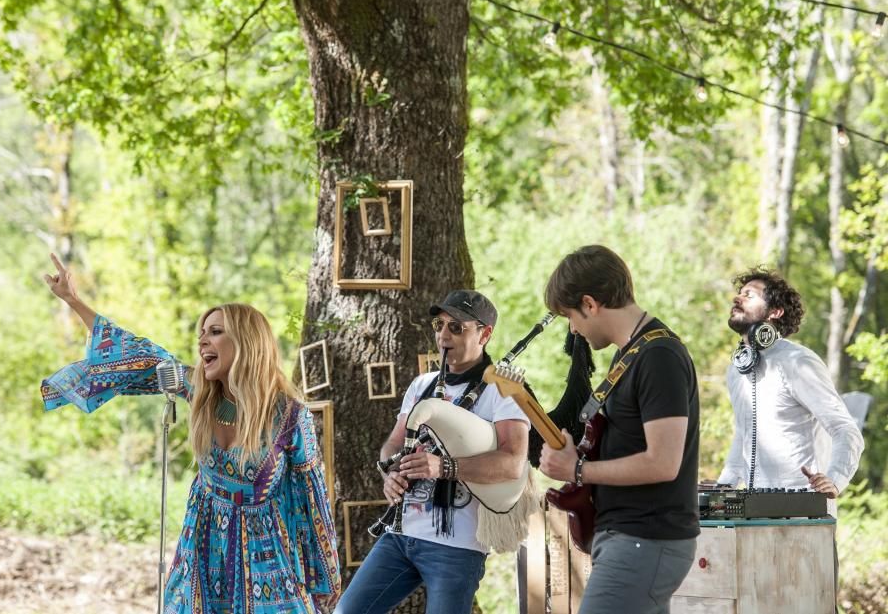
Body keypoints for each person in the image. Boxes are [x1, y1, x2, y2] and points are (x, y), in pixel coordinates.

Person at [40, 253, 341, 614]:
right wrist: (74, 301)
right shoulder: (196, 390)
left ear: (247, 342)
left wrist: (326, 583)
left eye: (215, 332)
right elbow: (137, 355)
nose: (202, 342)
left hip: (266, 562)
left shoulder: (290, 416)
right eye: (201, 333)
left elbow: (313, 503)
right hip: (202, 547)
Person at [335, 290, 529, 614]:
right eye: (439, 325)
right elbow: (394, 444)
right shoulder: (421, 384)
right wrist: (389, 472)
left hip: (457, 547)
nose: (442, 335)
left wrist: (444, 467)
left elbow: (512, 464)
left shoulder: (503, 390)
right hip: (400, 536)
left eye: (456, 327)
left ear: (485, 333)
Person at [537, 245, 699, 614]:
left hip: (645, 539)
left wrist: (576, 470)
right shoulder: (630, 355)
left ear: (590, 304)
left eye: (570, 316)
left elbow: (663, 462)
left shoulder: (659, 357)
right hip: (632, 539)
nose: (572, 329)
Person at [716, 267, 864, 500]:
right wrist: (723, 486)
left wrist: (835, 479)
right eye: (740, 293)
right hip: (755, 512)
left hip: (804, 513)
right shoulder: (737, 369)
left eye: (749, 295)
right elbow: (744, 435)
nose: (737, 298)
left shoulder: (797, 361)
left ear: (775, 311)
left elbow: (845, 429)